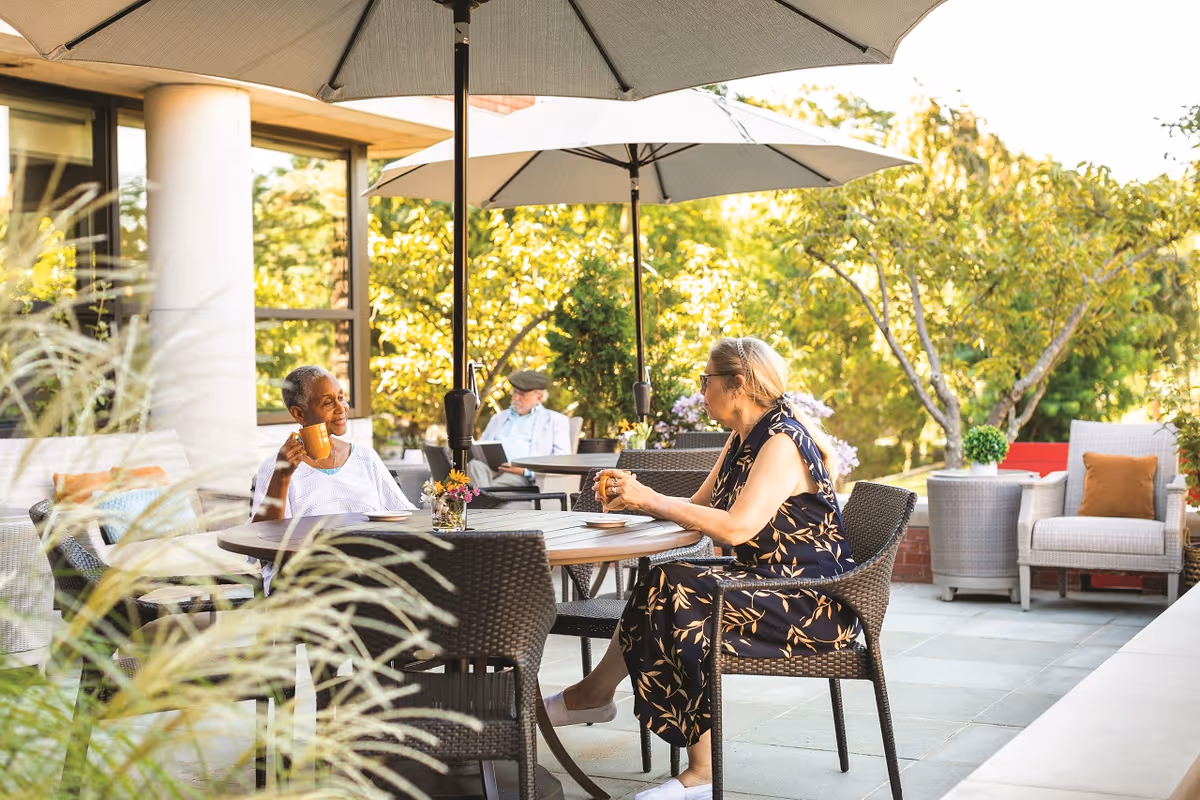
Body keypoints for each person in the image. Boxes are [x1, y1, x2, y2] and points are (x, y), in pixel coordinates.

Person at [543, 337, 860, 800]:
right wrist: (636, 494)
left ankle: (697, 769)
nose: (702, 388)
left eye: (706, 380)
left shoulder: (781, 443)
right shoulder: (742, 438)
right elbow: (697, 507)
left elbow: (735, 529)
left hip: (814, 603)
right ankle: (596, 696)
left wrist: (651, 500)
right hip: (771, 586)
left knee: (679, 592)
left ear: (738, 385)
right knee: (661, 581)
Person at [252, 365, 415, 522]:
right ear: (299, 413)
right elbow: (262, 535)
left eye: (341, 398)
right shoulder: (275, 468)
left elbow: (407, 514)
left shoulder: (366, 458)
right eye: (328, 402)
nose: (341, 408)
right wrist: (282, 476)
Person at [466, 368, 571, 490]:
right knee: (473, 466)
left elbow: (562, 459)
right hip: (491, 468)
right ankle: (484, 498)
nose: (515, 398)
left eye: (522, 395)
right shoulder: (499, 418)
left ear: (539, 398)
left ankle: (481, 497)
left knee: (488, 488)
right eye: (515, 392)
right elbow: (481, 446)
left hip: (520, 475)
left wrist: (525, 471)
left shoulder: (556, 420)